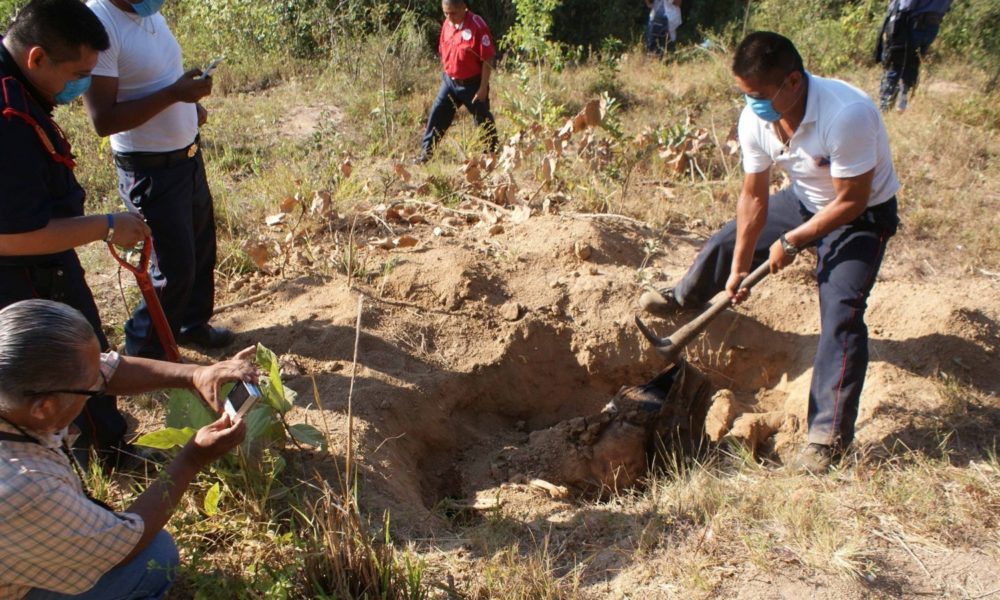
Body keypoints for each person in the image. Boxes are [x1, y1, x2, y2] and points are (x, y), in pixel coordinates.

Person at [639, 32, 900, 473]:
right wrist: (741, 266)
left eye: (758, 95)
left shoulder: (847, 114)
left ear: (793, 82)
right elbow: (754, 198)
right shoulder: (755, 119)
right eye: (744, 94)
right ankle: (686, 297)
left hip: (861, 215)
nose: (751, 104)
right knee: (726, 241)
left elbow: (852, 200)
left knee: (841, 311)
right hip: (805, 199)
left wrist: (793, 241)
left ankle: (827, 438)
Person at [0, 299, 255, 599]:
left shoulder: (16, 387)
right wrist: (191, 459)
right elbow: (122, 547)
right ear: (43, 408)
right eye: (92, 387)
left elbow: (108, 370)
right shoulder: (27, 484)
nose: (100, 384)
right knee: (155, 558)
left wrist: (194, 375)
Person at [0, 0, 151, 468]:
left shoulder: (17, 88)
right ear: (37, 58)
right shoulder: (8, 120)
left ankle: (103, 444)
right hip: (24, 277)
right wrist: (105, 226)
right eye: (76, 75)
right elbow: (12, 236)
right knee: (66, 363)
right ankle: (92, 458)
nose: (81, 86)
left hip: (41, 264)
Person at [83, 0, 233, 360]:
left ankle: (188, 326)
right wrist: (174, 96)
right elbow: (103, 120)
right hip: (149, 169)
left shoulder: (148, 13)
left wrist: (188, 105)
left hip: (186, 158)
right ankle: (143, 355)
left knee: (199, 251)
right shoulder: (100, 21)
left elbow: (160, 76)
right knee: (173, 266)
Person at [416, 0, 499, 163]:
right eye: (445, 13)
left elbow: (488, 58)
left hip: (473, 84)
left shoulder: (477, 25)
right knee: (437, 115)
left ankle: (491, 155)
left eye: (452, 13)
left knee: (482, 120)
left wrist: (482, 88)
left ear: (463, 7)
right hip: (450, 82)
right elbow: (444, 49)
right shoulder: (447, 24)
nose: (449, 17)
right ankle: (426, 155)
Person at [876, 0, 952, 112]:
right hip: (932, 24)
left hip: (910, 22)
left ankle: (885, 107)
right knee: (913, 61)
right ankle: (903, 99)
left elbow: (906, 5)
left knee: (895, 61)